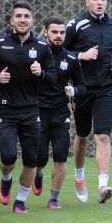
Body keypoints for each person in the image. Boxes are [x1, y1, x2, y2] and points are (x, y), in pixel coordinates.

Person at [0, 1, 56, 213]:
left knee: (31, 159)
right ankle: (6, 178)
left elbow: (53, 77)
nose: (23, 19)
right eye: (18, 16)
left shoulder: (41, 48)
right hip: (6, 111)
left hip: (31, 110)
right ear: (12, 20)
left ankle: (20, 201)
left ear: (32, 21)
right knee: (8, 157)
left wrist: (41, 73)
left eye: (26, 16)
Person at [63, 0, 112, 204]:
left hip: (106, 88)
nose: (100, 2)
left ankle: (102, 185)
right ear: (87, 2)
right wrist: (81, 55)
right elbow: (59, 52)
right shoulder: (76, 24)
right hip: (82, 88)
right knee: (82, 135)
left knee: (103, 135)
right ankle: (79, 178)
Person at [32, 16, 86, 208]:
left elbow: (82, 85)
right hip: (37, 111)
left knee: (61, 156)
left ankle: (53, 199)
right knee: (40, 158)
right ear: (45, 32)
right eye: (54, 32)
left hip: (60, 113)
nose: (58, 35)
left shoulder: (70, 58)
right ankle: (37, 174)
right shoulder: (35, 53)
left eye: (62, 32)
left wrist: (75, 91)